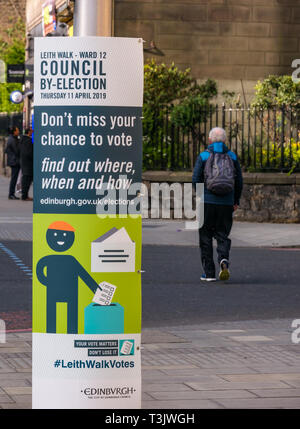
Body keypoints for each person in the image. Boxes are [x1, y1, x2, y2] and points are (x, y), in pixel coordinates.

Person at [192, 127, 243, 282]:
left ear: (209, 140)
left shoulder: (204, 155)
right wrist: (235, 201)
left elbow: (195, 179)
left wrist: (201, 197)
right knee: (222, 234)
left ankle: (208, 274)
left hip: (207, 202)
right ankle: (223, 260)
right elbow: (239, 181)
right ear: (225, 140)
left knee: (205, 236)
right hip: (226, 203)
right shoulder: (232, 157)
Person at [5, 126, 20, 200]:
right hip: (14, 161)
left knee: (14, 178)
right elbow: (16, 151)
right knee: (14, 178)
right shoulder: (12, 140)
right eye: (17, 130)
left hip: (13, 161)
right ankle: (11, 194)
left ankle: (12, 194)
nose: (18, 131)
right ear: (14, 132)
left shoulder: (12, 139)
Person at [20, 128, 33, 201]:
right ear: (29, 132)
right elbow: (29, 153)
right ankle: (25, 196)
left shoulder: (22, 140)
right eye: (31, 131)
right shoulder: (28, 141)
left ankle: (24, 195)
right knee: (27, 180)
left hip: (24, 162)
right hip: (28, 164)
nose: (33, 132)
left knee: (25, 179)